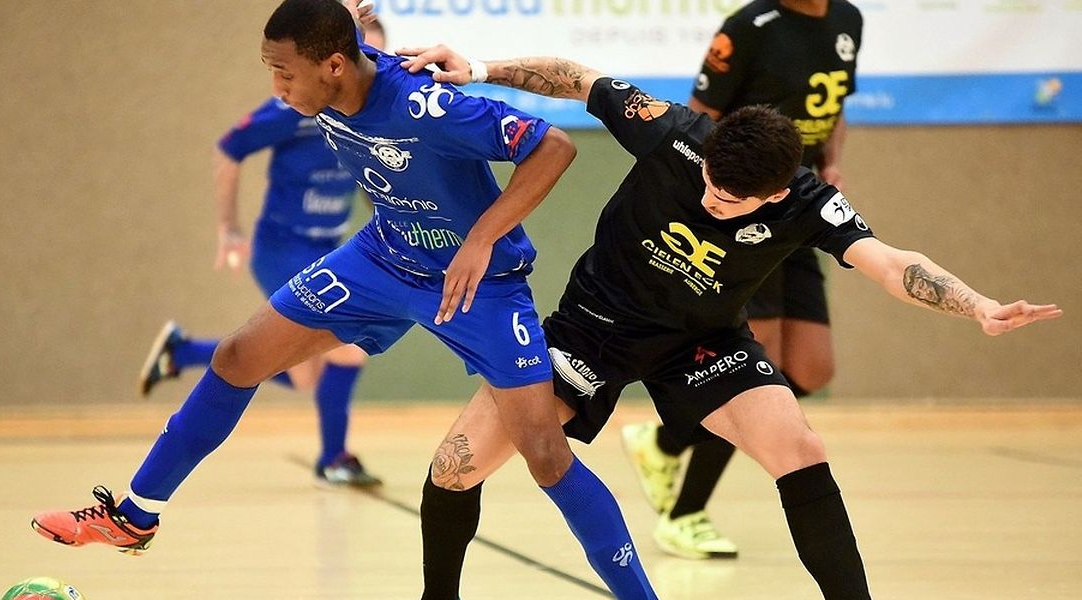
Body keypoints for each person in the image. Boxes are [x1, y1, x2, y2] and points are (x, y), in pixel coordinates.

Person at [31, 2, 659, 598]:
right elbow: (343, 36)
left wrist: (481, 238)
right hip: (380, 258)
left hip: (475, 283)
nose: (278, 87)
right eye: (270, 70)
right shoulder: (332, 75)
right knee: (237, 357)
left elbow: (555, 147)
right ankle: (135, 516)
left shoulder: (425, 107)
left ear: (333, 66)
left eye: (284, 72)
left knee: (547, 456)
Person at [395, 44, 1061, 599]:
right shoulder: (675, 134)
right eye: (711, 183)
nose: (714, 202)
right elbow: (578, 78)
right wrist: (477, 70)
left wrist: (976, 304)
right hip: (593, 328)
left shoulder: (807, 203)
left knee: (800, 448)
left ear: (776, 193)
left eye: (733, 200)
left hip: (700, 341)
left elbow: (889, 263)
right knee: (456, 465)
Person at [620, 0, 865, 560]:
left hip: (796, 202)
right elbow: (699, 115)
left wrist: (830, 163)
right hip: (745, 210)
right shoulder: (749, 28)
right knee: (763, 366)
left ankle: (665, 439)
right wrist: (718, 205)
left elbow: (834, 110)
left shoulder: (848, 20)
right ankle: (684, 514)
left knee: (812, 368)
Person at [136, 20, 388, 488]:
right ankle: (334, 458)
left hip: (327, 247)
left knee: (307, 376)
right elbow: (230, 148)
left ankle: (184, 351)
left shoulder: (372, 114)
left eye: (374, 59)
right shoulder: (295, 110)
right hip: (283, 248)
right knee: (348, 352)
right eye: (359, 56)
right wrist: (229, 228)